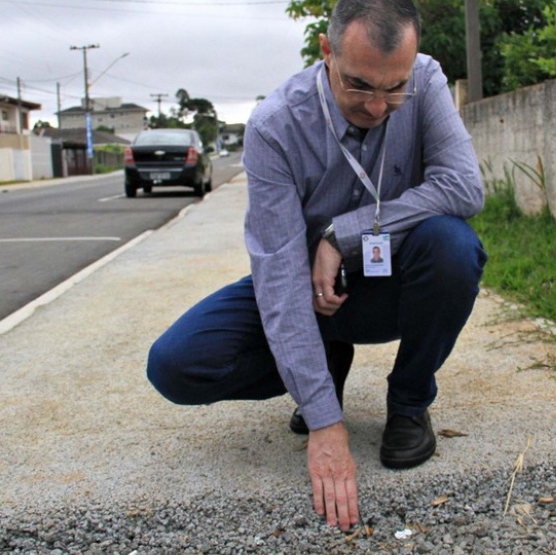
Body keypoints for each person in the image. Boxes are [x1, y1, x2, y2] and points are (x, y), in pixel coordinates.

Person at [146, 0, 486, 532]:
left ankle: (409, 402)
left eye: (394, 87)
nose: (378, 106)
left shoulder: (426, 80)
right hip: (307, 290)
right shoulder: (275, 125)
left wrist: (342, 233)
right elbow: (280, 276)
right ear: (327, 51)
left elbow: (464, 187)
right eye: (359, 85)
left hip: (392, 284)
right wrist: (326, 421)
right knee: (176, 365)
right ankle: (324, 365)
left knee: (453, 246)